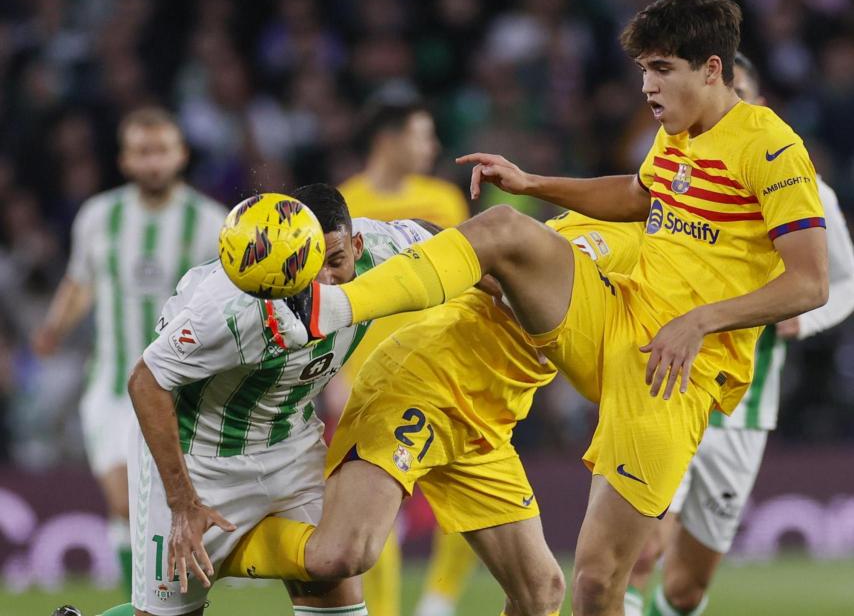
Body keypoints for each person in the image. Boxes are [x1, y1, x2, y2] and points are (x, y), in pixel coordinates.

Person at [278, 0, 829, 616]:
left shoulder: (771, 148)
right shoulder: (677, 134)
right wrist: (532, 183)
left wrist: (700, 321)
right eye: (643, 69)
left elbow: (810, 284)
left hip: (672, 371)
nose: (647, 86)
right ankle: (335, 306)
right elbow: (637, 195)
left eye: (662, 69)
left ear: (711, 69)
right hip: (616, 317)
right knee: (504, 230)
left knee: (597, 584)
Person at [217, 208, 645, 616]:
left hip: (488, 417)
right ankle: (214, 545)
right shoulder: (617, 232)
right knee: (348, 551)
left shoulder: (663, 266)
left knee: (540, 591)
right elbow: (502, 238)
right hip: (426, 383)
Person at [114, 184, 436, 616]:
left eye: (337, 261)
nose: (325, 281)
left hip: (290, 445)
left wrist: (498, 288)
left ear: (357, 245)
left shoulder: (380, 248)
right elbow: (145, 380)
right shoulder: (230, 307)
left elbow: (449, 244)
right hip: (201, 461)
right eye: (311, 267)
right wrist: (182, 503)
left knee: (335, 583)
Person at [623, 52, 854, 616]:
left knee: (686, 590)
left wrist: (804, 319)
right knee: (641, 551)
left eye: (740, 97)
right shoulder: (677, 171)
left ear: (758, 105)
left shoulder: (805, 188)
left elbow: (844, 282)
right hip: (670, 383)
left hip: (744, 408)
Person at [31, 107, 227, 597]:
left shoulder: (209, 221)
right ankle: (143, 597)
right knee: (124, 503)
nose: (153, 161)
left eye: (161, 150)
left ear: (181, 155)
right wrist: (54, 327)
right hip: (113, 385)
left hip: (180, 391)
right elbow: (81, 282)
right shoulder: (100, 216)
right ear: (125, 160)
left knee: (155, 507)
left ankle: (151, 599)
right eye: (143, 152)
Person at [337, 99, 472, 616]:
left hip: (442, 368)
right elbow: (330, 291)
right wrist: (335, 374)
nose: (432, 146)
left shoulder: (444, 200)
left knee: (470, 491)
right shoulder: (345, 202)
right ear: (388, 140)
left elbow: (466, 276)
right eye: (422, 135)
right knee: (373, 507)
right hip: (368, 377)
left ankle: (439, 601)